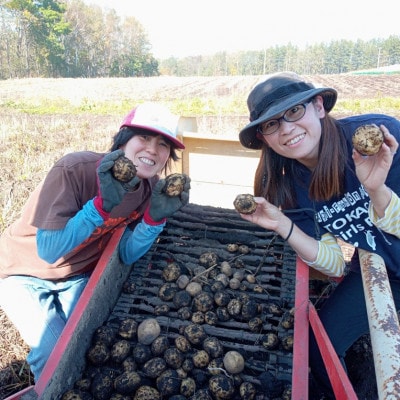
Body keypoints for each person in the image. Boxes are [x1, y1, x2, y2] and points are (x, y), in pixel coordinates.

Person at [237, 72, 400, 398]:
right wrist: (284, 226)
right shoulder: (293, 182)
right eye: (271, 124)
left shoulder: (381, 139)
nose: (286, 129)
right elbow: (336, 265)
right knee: (318, 347)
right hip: (382, 271)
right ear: (264, 138)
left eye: (294, 111)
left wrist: (377, 190)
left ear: (319, 106)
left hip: (386, 263)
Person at [0, 102, 190, 382]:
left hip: (78, 276)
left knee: (90, 344)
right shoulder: (75, 169)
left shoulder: (148, 188)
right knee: (54, 354)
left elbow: (125, 253)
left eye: (163, 144)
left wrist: (153, 222)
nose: (152, 149)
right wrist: (99, 208)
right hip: (23, 272)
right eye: (145, 137)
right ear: (123, 140)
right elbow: (48, 251)